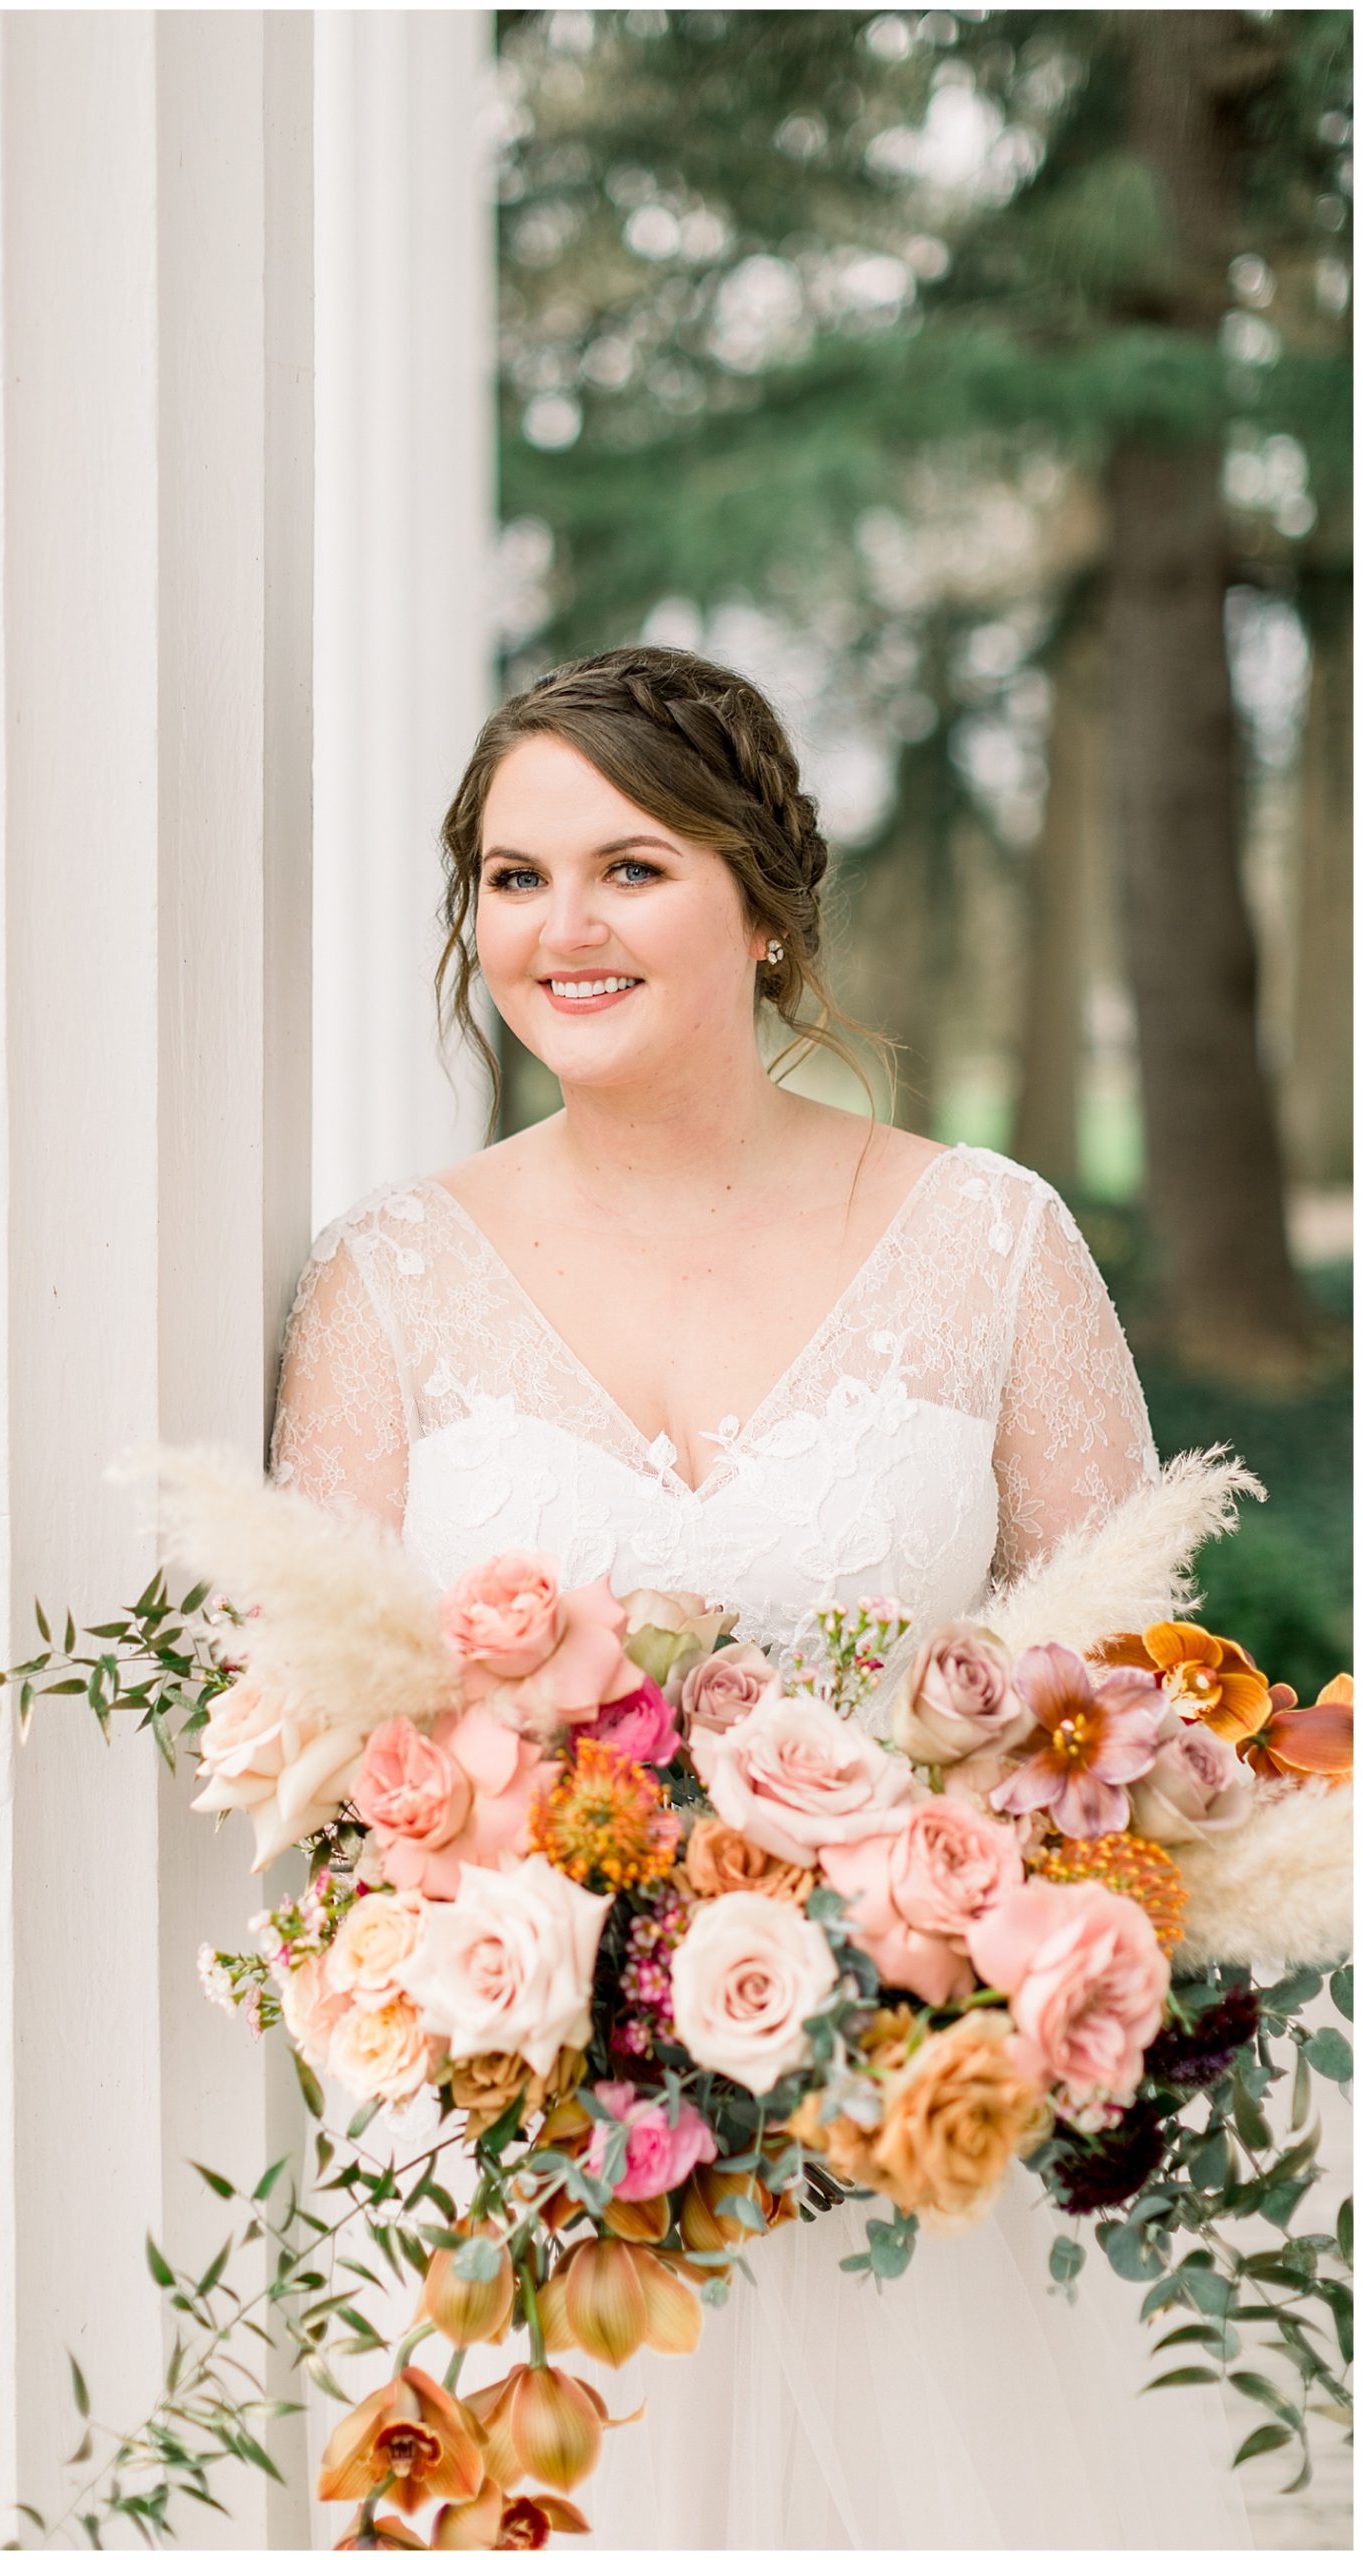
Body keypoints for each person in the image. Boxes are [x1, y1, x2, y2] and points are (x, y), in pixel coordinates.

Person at [270, 646, 1252, 2549]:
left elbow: (1144, 1716)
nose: (563, 927)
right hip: (541, 2195)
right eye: (511, 874)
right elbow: (332, 1760)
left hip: (920, 2160)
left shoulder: (987, 1238)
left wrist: (933, 1948)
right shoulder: (382, 1285)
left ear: (765, 906)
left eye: (630, 868)